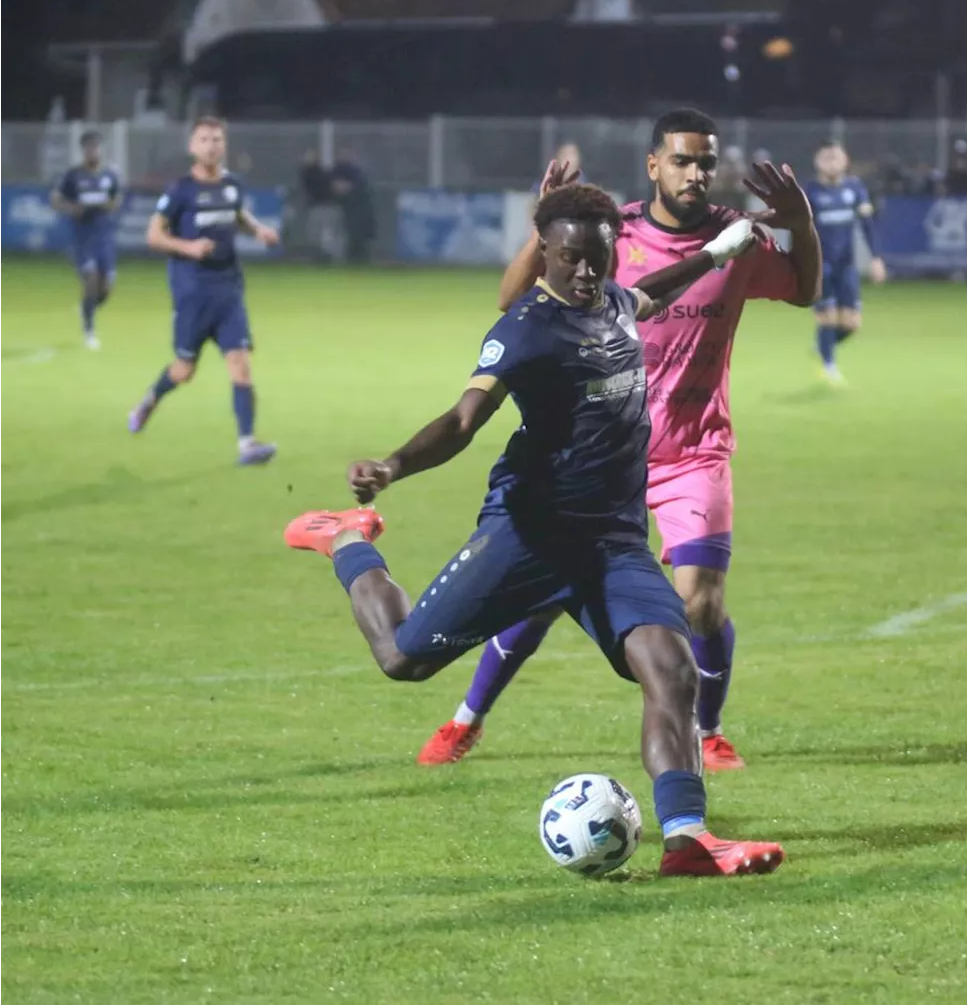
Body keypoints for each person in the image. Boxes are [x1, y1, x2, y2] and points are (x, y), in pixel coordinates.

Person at [285, 184, 780, 877]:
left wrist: (722, 248)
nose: (585, 273)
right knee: (403, 659)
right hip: (532, 537)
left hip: (613, 544)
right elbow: (462, 422)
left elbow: (654, 292)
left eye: (599, 259)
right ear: (543, 251)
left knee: (671, 671)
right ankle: (346, 539)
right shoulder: (523, 331)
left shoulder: (610, 300)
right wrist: (392, 465)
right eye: (571, 258)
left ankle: (687, 838)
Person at [420, 107, 821, 770]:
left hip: (694, 450)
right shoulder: (613, 233)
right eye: (683, 160)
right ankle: (467, 718)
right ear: (654, 164)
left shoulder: (735, 237)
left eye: (706, 162)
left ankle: (706, 732)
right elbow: (511, 299)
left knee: (701, 601)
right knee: (542, 594)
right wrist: (541, 225)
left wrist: (802, 225)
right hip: (600, 450)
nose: (697, 173)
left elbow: (805, 292)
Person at [127, 117, 280, 465]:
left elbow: (238, 214)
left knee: (240, 366)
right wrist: (188, 247)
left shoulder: (232, 185)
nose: (211, 145)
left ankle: (247, 444)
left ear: (223, 145)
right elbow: (154, 236)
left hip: (228, 291)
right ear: (192, 147)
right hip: (192, 293)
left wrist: (259, 231)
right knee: (184, 369)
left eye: (216, 139)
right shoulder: (180, 190)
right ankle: (150, 399)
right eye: (204, 139)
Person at [805, 140, 885, 385]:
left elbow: (867, 225)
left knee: (851, 324)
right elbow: (797, 230)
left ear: (845, 161)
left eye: (836, 157)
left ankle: (822, 345)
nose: (832, 162)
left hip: (846, 265)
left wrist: (876, 258)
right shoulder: (809, 191)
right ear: (817, 162)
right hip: (820, 265)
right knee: (828, 317)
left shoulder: (855, 188)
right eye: (826, 158)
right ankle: (829, 367)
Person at [50, 131, 121, 350]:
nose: (93, 151)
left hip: (104, 238)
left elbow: (117, 198)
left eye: (96, 147)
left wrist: (111, 205)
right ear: (84, 151)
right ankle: (89, 331)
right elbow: (55, 199)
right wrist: (71, 208)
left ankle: (86, 307)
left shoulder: (109, 175)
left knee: (105, 289)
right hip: (83, 239)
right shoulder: (73, 175)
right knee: (90, 280)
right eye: (89, 148)